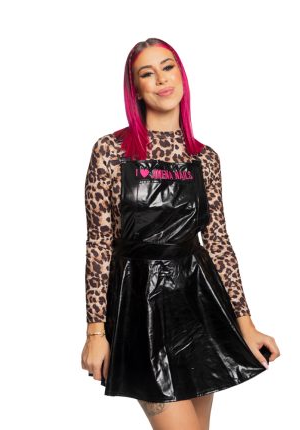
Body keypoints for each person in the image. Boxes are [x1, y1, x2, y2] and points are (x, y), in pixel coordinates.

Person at [81, 38, 280, 430]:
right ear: (136, 89)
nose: (161, 79)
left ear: (182, 76)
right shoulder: (110, 151)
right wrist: (95, 331)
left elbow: (218, 242)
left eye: (168, 67)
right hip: (139, 308)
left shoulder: (204, 158)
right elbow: (99, 244)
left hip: (198, 303)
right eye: (147, 73)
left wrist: (246, 324)